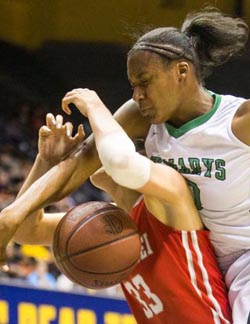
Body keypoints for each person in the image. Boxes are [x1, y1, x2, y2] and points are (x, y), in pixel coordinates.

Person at [0, 6, 249, 323]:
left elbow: (118, 162)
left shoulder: (238, 121)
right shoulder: (140, 116)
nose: (137, 95)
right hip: (190, 251)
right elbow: (79, 163)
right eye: (132, 85)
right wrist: (16, 211)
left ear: (182, 72)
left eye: (145, 82)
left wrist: (94, 105)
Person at [7, 106, 232, 323]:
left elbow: (122, 160)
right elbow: (26, 231)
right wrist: (46, 162)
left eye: (99, 150)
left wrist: (92, 105)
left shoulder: (169, 203)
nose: (92, 155)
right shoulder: (104, 224)